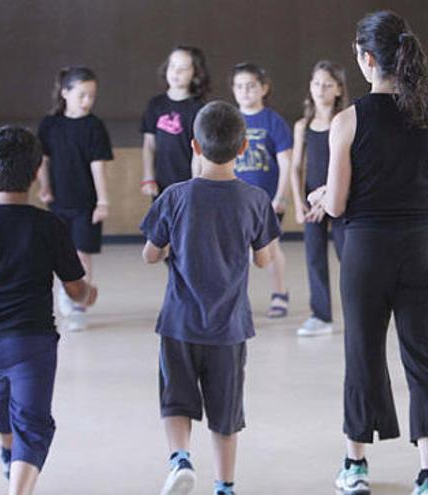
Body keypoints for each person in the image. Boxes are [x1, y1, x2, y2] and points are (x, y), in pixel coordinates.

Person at [307, 10, 428, 495]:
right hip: (425, 250)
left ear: (367, 59)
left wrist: (317, 197)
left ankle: (355, 468)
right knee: (427, 359)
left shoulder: (347, 119)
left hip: (367, 251)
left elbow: (336, 203)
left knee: (363, 353)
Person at [140, 101, 280, 495]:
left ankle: (180, 458)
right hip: (229, 327)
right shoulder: (254, 199)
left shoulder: (175, 196)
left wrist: (168, 247)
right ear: (241, 150)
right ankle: (225, 485)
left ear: (195, 147)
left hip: (179, 322)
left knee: (175, 401)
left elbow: (150, 255)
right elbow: (264, 258)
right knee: (225, 414)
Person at [0, 125, 97, 495]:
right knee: (33, 423)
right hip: (30, 343)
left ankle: (5, 451)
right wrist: (88, 295)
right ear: (35, 174)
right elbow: (75, 288)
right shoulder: (49, 225)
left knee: (0, 390)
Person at [36, 66, 113, 332]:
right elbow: (43, 160)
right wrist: (44, 187)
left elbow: (98, 166)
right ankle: (63, 293)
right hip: (58, 201)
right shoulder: (50, 124)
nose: (87, 101)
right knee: (57, 253)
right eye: (81, 95)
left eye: (92, 96)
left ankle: (79, 303)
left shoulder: (95, 126)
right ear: (65, 93)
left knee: (82, 253)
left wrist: (103, 201)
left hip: (86, 203)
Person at [289, 60, 349, 336]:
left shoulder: (345, 121)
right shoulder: (303, 125)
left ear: (338, 89)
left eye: (327, 84)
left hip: (341, 199)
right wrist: (300, 203)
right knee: (314, 257)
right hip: (311, 204)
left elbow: (352, 164)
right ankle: (321, 316)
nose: (320, 89)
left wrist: (328, 197)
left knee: (348, 257)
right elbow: (296, 167)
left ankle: (360, 312)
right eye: (316, 83)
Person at [231, 63, 293, 318]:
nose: (245, 91)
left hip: (266, 200)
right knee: (236, 251)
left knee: (269, 248)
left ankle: (279, 292)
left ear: (263, 88)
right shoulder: (230, 120)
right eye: (239, 86)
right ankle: (236, 300)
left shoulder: (273, 121)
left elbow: (286, 161)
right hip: (235, 200)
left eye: (251, 86)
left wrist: (281, 196)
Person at [140, 45, 209, 197]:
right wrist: (148, 177)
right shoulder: (155, 105)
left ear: (195, 73)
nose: (176, 72)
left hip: (187, 183)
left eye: (183, 68)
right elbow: (149, 145)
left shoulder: (199, 110)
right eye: (172, 66)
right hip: (161, 185)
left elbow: (199, 152)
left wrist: (196, 183)